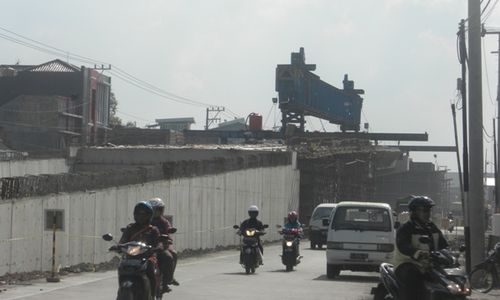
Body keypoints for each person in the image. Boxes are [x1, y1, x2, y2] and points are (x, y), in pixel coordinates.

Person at [393, 196, 448, 300]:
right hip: (407, 264)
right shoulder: (406, 228)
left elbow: (443, 244)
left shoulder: (432, 227)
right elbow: (403, 246)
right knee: (412, 277)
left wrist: (449, 255)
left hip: (428, 265)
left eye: (429, 210)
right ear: (414, 212)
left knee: (446, 280)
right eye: (424, 210)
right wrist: (417, 253)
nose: (428, 213)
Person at [119, 201, 162, 297]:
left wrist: (157, 248)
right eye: (138, 214)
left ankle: (152, 295)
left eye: (143, 214)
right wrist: (118, 246)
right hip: (131, 256)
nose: (140, 217)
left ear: (149, 216)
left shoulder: (153, 230)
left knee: (151, 268)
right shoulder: (130, 227)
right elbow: (123, 240)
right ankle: (120, 293)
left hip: (148, 256)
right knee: (121, 266)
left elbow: (158, 243)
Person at [148, 197, 179, 293]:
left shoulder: (164, 221)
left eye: (160, 209)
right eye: (156, 209)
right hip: (148, 245)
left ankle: (167, 280)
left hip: (163, 244)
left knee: (172, 255)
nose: (158, 211)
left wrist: (169, 231)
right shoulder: (145, 220)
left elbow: (169, 228)